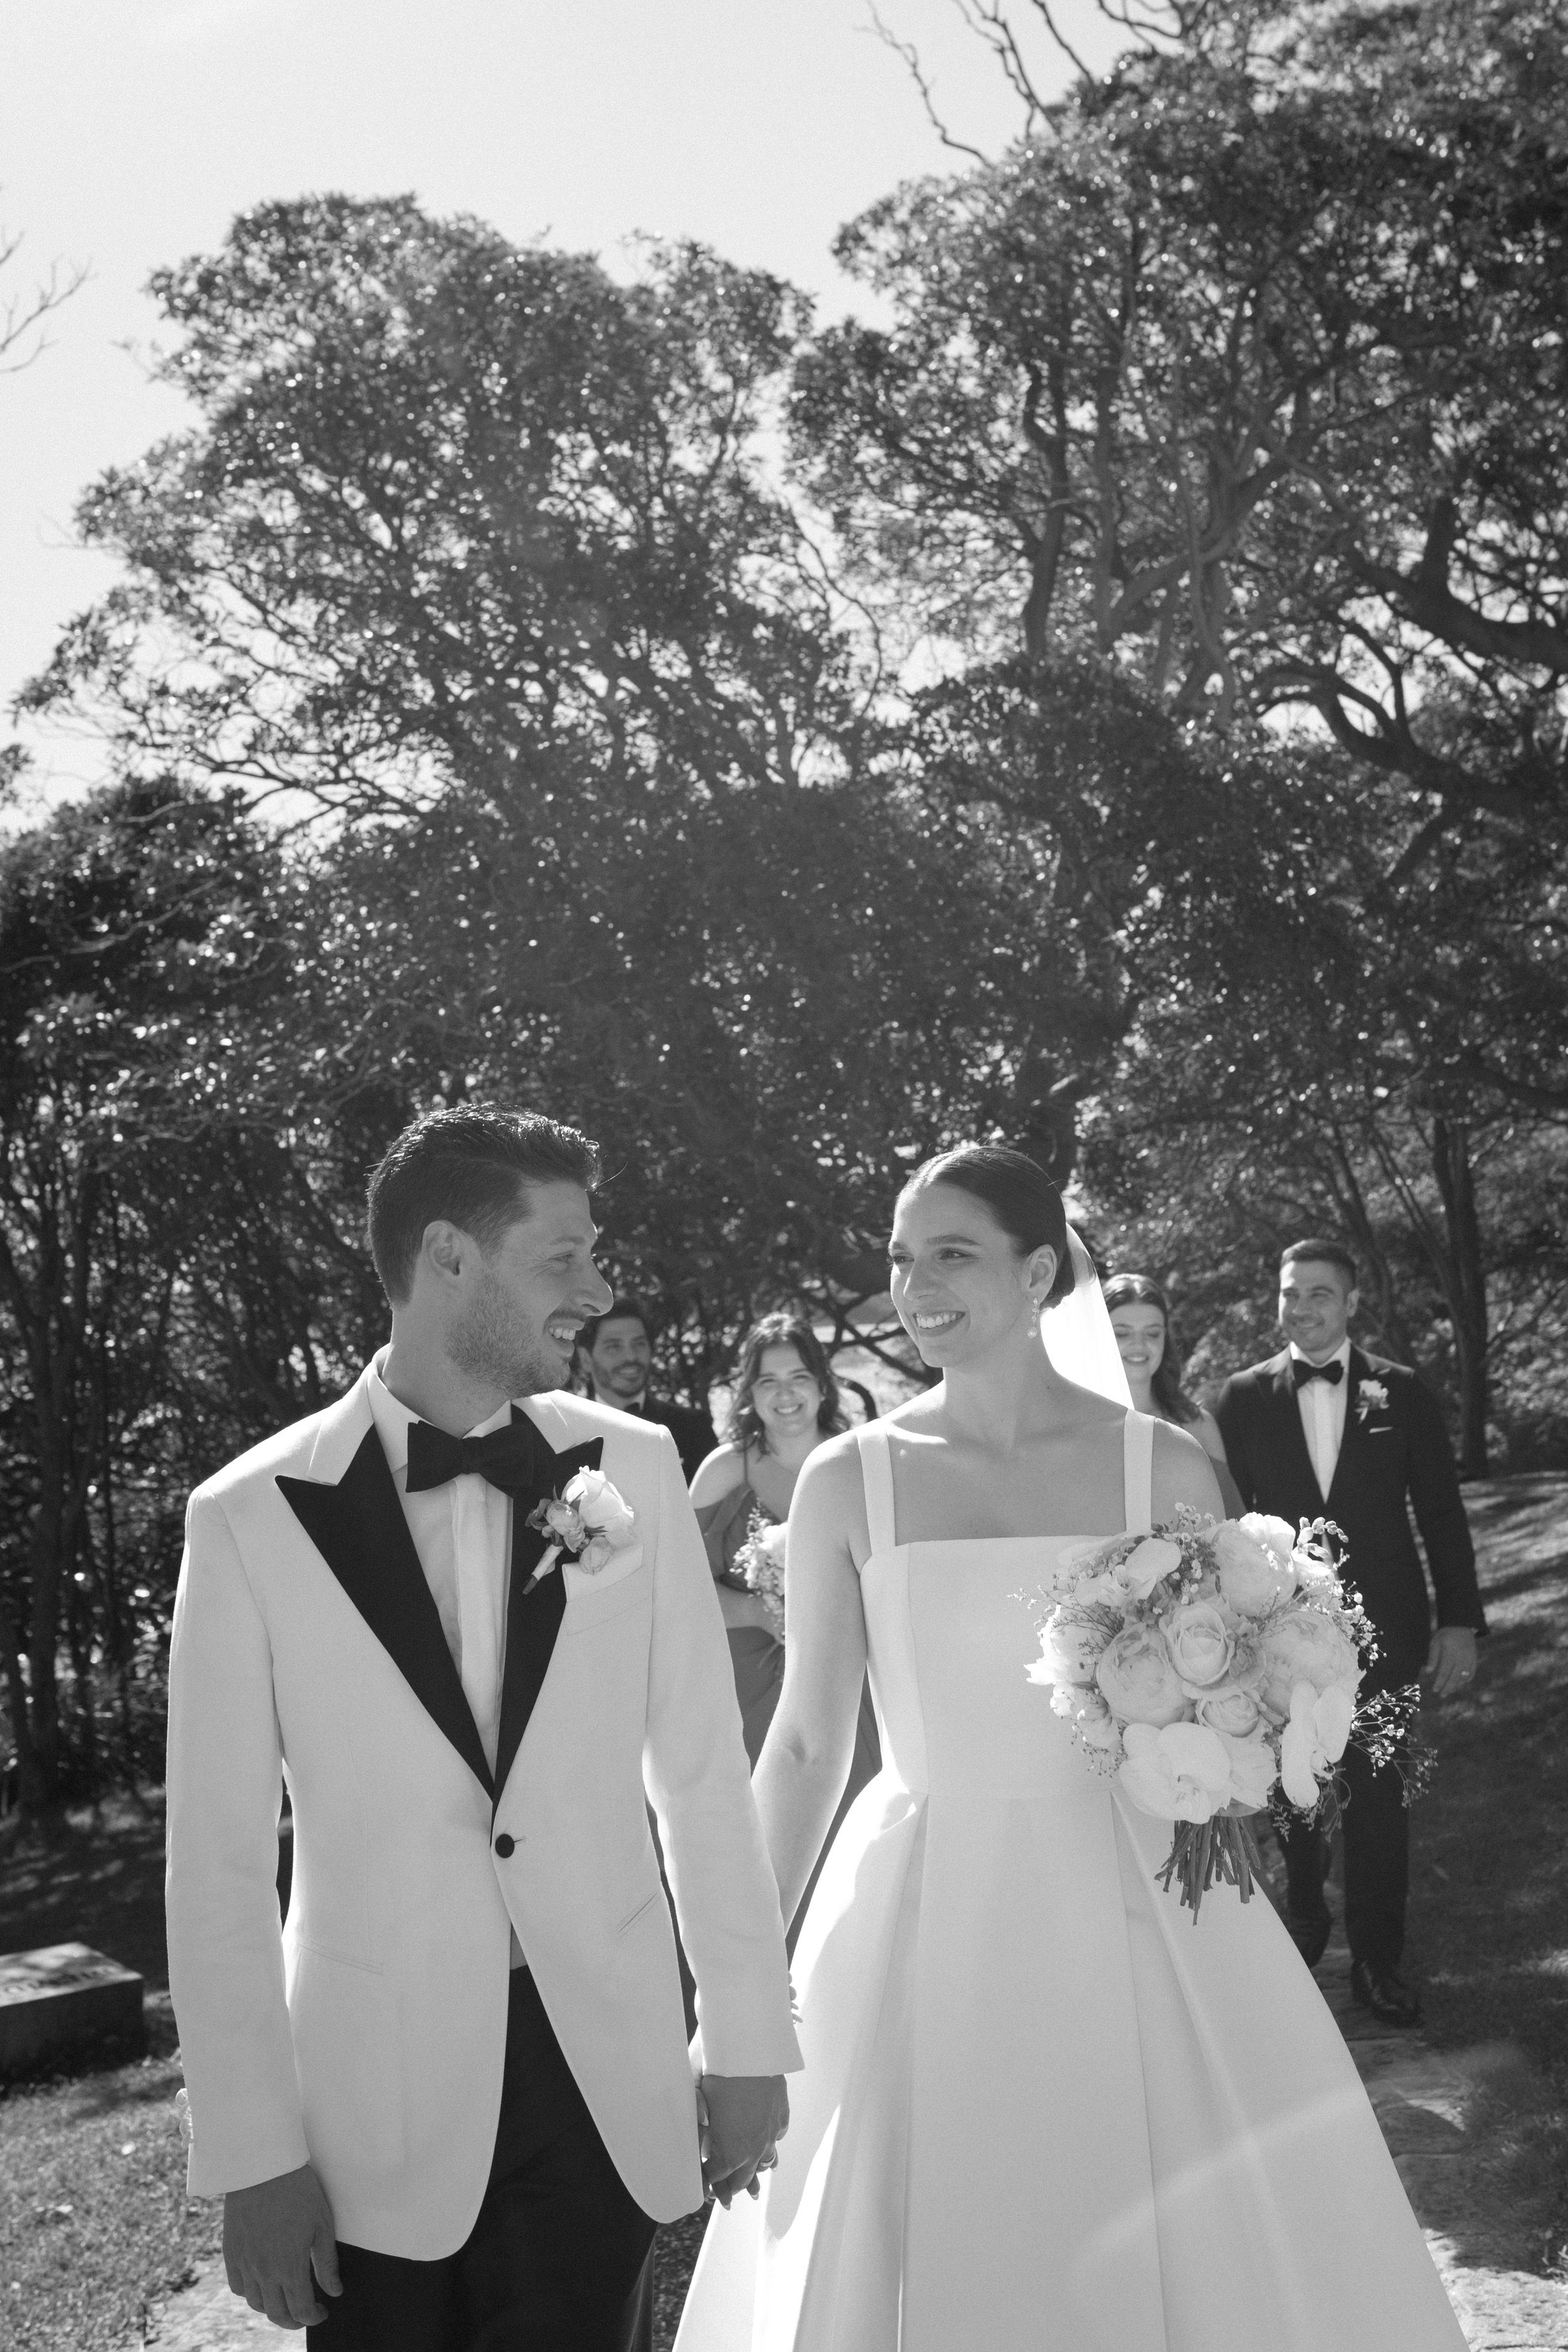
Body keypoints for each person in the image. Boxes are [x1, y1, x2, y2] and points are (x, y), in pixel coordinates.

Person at [674, 1146, 1466, 2352]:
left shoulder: (1161, 1464)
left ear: (1040, 1271)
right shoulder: (848, 1479)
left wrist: (1234, 1761)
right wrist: (736, 1989)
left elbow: (1231, 1684)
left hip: (1144, 1898)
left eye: (953, 1254)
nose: (916, 1285)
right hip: (925, 1907)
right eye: (901, 1257)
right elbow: (804, 1747)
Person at [165, 1104, 800, 2352]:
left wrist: (743, 2037)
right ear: (449, 1256)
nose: (597, 1292)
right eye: (563, 1256)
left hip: (597, 2075)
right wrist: (252, 2153)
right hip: (372, 2101)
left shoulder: (634, 1468)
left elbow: (700, 1776)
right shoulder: (247, 1518)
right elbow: (218, 1865)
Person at [1214, 1238, 1485, 2026]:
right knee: (1293, 1787)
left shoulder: (1402, 1392)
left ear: (1351, 1302)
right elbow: (1227, 1523)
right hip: (1282, 1630)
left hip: (1387, 1627)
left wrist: (1459, 1620)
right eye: (1290, 1293)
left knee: (1378, 1794)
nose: (1301, 1307)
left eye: (1319, 1294)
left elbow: (1441, 1513)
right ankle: (1305, 1921)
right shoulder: (1242, 1397)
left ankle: (1376, 1959)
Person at [688, 1314, 880, 1936]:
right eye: (768, 1381)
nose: (785, 1394)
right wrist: (756, 1611)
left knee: (851, 1827)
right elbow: (680, 1587)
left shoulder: (861, 1463)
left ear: (823, 1385)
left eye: (799, 1377)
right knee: (755, 1834)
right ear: (749, 1391)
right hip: (745, 1688)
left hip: (849, 1685)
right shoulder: (725, 1470)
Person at [1104, 1270, 1245, 1515]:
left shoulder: (1198, 1426)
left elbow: (1232, 1525)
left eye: (1152, 1333)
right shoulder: (1075, 1424)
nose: (1139, 1345)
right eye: (1122, 1333)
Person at [577, 1300, 718, 1483]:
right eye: (614, 1346)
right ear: (586, 1360)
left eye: (639, 1344)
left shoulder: (693, 1429)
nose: (631, 1356)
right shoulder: (569, 1434)